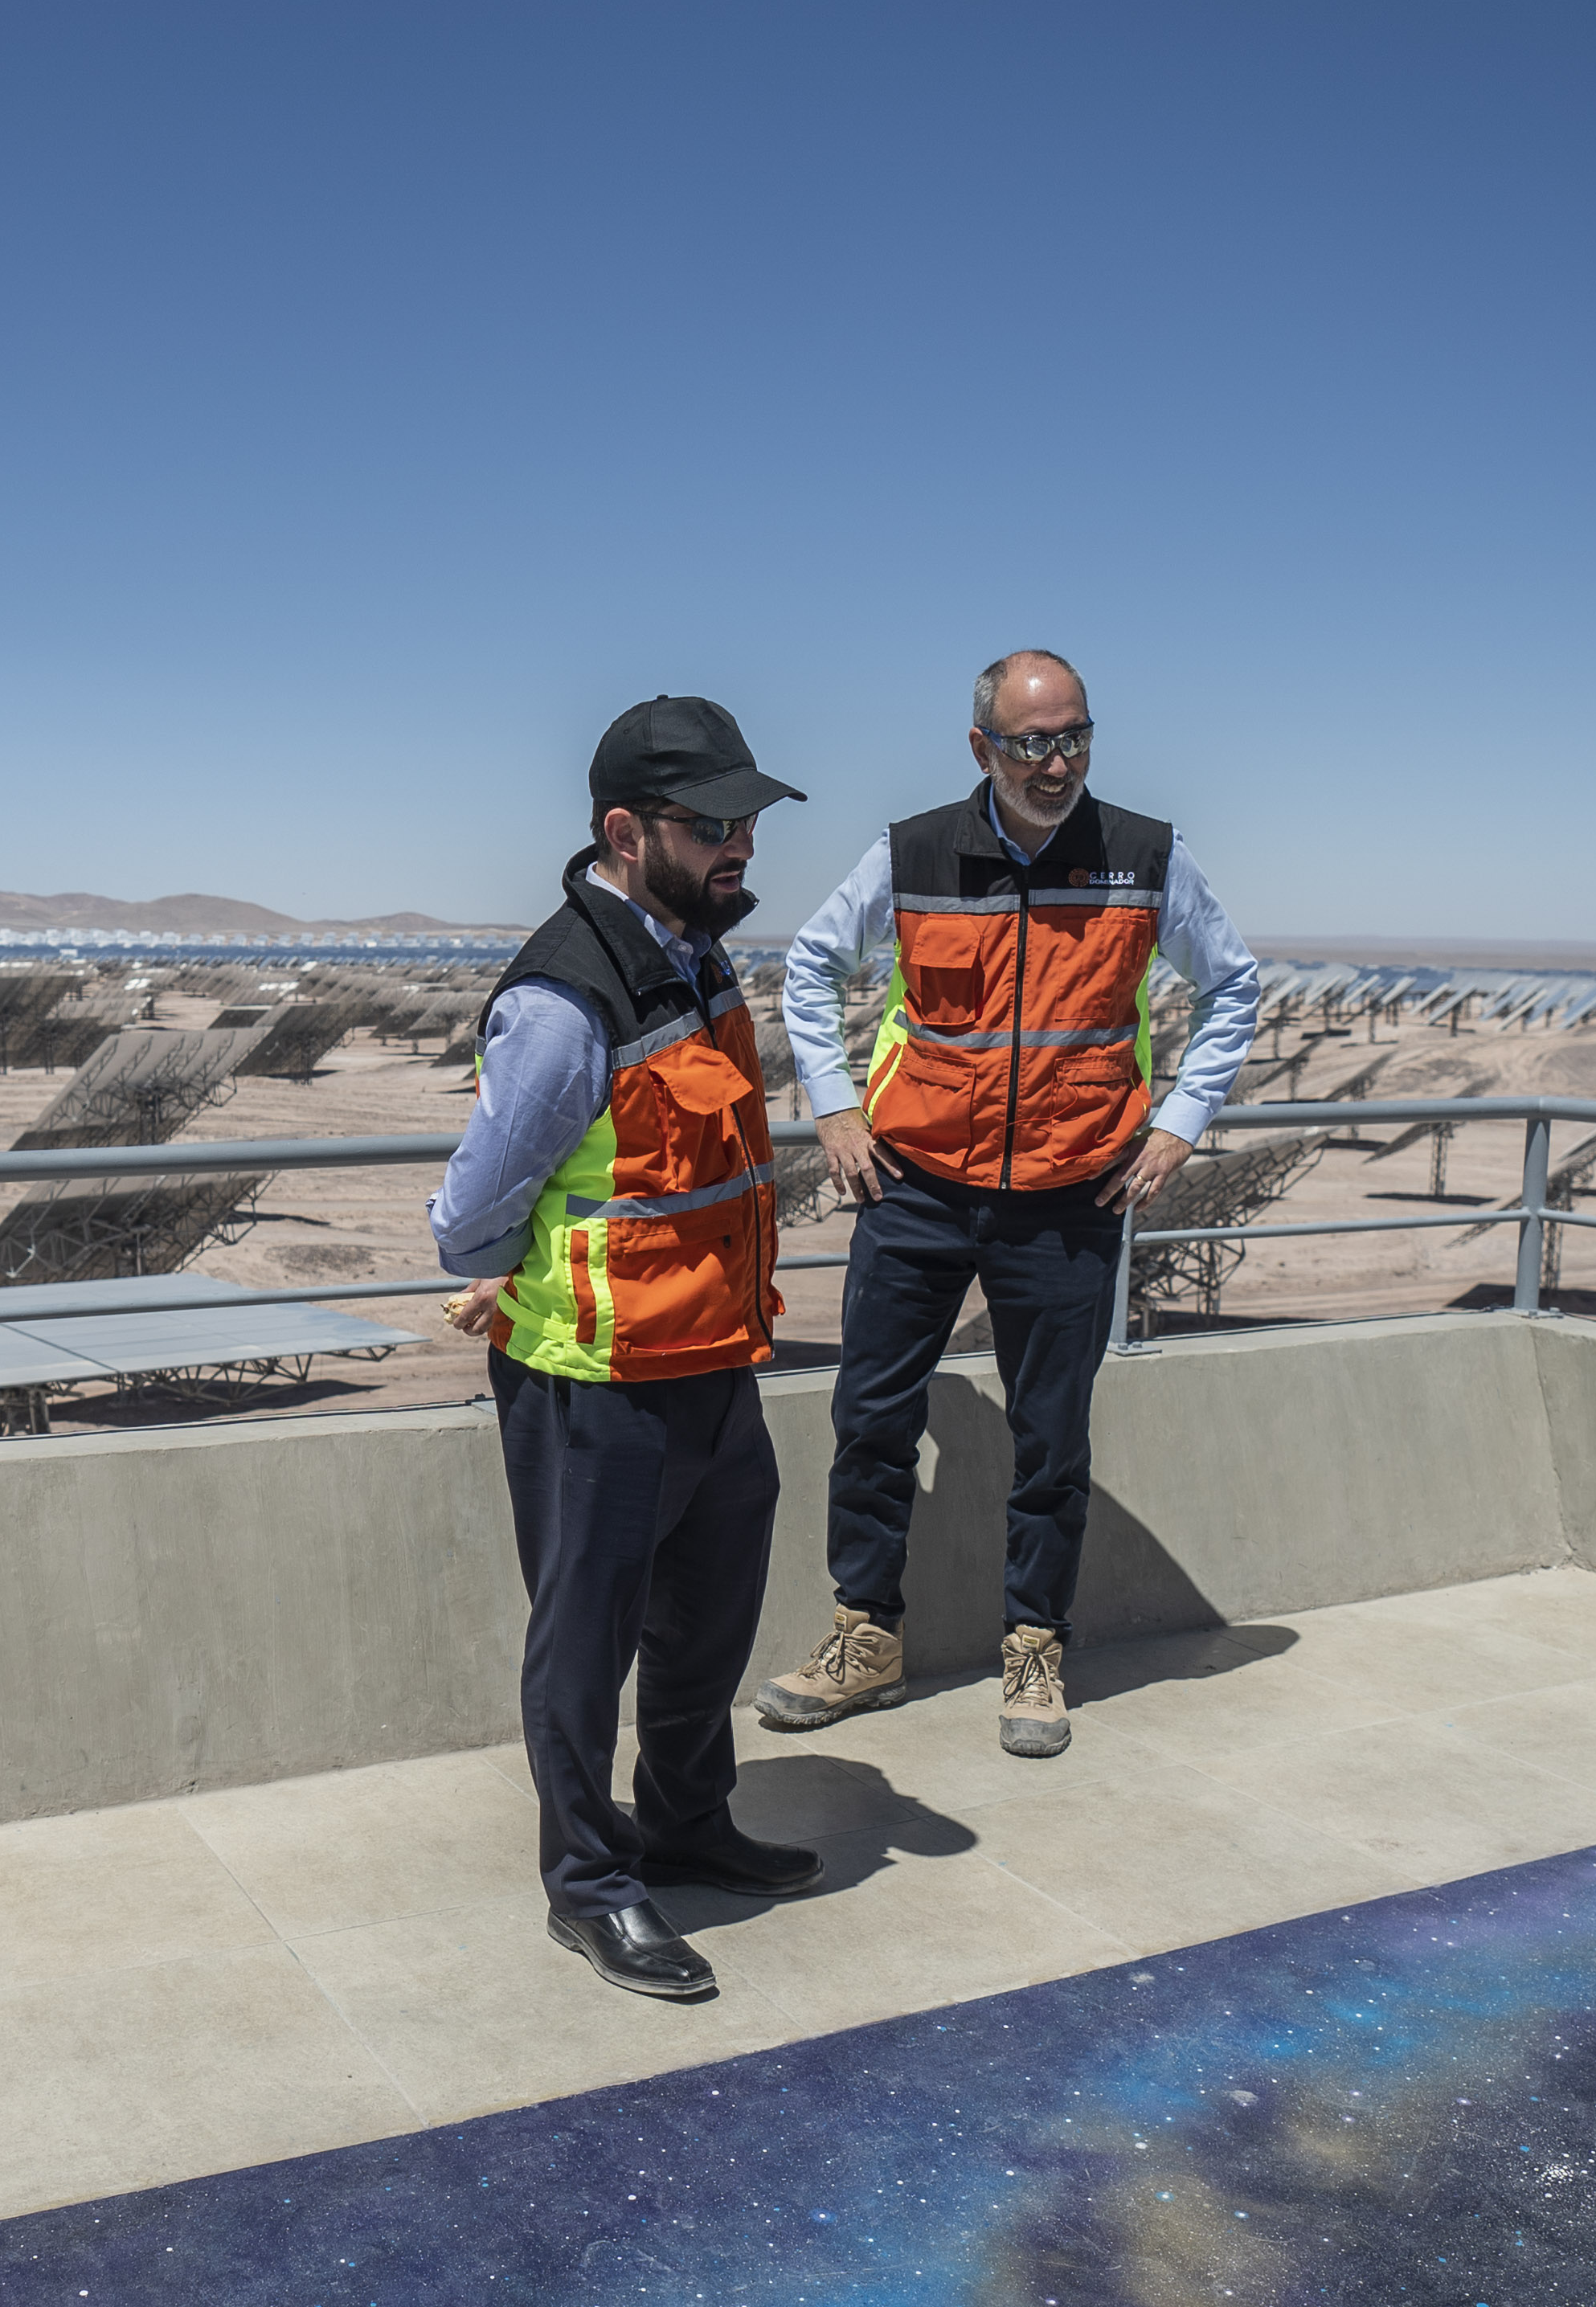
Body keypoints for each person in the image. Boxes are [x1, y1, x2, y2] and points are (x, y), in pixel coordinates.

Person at [760, 649, 1260, 1758]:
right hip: (916, 1184)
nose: (1057, 760)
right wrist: (835, 1110)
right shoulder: (913, 853)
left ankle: (1035, 1646)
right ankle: (865, 1637)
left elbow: (1233, 986)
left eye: (1075, 735)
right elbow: (808, 968)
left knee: (1051, 1439)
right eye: (1032, 741)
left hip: (1071, 1193)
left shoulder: (1144, 857)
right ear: (981, 745)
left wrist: (1177, 1124)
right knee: (871, 1420)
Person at [428, 695, 824, 2002]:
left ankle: (688, 1823)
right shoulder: (562, 997)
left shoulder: (696, 956)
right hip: (592, 1385)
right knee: (585, 1642)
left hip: (713, 1366)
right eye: (711, 825)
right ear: (622, 830)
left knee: (709, 1624)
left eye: (747, 824)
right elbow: (470, 1211)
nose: (739, 849)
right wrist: (508, 1279)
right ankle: (592, 1885)